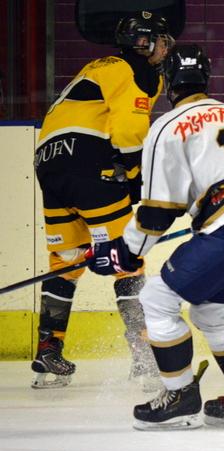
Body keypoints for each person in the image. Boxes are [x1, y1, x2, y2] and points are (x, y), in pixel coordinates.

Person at [88, 44, 224, 430]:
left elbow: (156, 212)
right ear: (206, 77)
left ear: (168, 82)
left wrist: (124, 253)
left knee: (157, 296)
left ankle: (179, 395)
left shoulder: (166, 126)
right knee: (210, 310)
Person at [31, 11, 174, 388]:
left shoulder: (98, 66)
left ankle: (49, 351)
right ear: (143, 43)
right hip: (88, 159)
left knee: (66, 259)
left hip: (49, 162)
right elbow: (129, 131)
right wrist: (135, 178)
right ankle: (145, 357)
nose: (163, 47)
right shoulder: (138, 70)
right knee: (127, 258)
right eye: (159, 40)